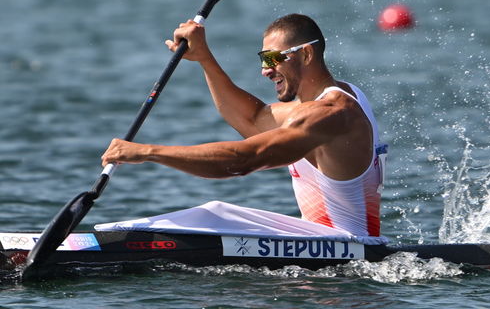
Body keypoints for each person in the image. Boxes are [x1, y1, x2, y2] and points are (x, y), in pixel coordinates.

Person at [101, 14, 386, 237]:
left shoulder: (332, 113)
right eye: (264, 59)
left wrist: (148, 152)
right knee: (213, 215)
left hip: (347, 248)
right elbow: (250, 118)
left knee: (211, 217)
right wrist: (203, 57)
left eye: (273, 58)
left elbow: (243, 160)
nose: (265, 70)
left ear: (307, 55)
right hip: (326, 241)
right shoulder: (323, 103)